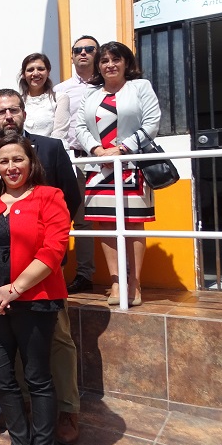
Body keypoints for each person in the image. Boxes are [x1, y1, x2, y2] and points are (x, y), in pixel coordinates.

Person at [0, 88, 82, 445]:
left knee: (56, 346)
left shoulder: (49, 148)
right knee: (10, 363)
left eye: (13, 109)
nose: (7, 116)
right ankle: (26, 422)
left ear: (23, 112)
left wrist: (27, 278)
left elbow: (69, 200)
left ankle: (65, 411)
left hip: (41, 283)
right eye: (0, 112)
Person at [76, 41, 161, 307]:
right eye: (104, 61)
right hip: (99, 168)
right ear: (98, 66)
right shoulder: (91, 94)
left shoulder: (140, 87)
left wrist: (122, 149)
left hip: (132, 165)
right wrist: (96, 149)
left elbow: (152, 123)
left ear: (126, 62)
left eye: (115, 59)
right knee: (106, 223)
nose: (110, 65)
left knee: (134, 224)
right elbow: (79, 125)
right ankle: (116, 282)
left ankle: (134, 284)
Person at [54, 36, 100, 294]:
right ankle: (55, 271)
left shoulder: (106, 88)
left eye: (89, 49)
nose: (83, 53)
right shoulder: (61, 90)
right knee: (57, 219)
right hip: (65, 159)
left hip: (94, 160)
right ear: (71, 56)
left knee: (84, 221)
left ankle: (85, 275)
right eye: (77, 50)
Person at [18, 53, 70, 145]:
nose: (35, 73)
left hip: (51, 153)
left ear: (48, 72)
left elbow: (59, 134)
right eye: (30, 70)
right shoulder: (17, 101)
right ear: (23, 74)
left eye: (40, 69)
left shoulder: (59, 98)